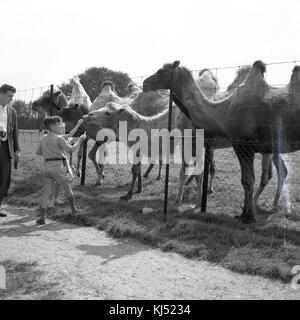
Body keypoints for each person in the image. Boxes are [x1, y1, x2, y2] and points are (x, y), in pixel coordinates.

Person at [36, 116, 86, 225]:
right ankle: (74, 211)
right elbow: (71, 149)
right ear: (53, 126)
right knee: (68, 188)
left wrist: (78, 125)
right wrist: (80, 140)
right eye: (59, 124)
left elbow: (38, 152)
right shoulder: (59, 138)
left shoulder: (44, 138)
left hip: (47, 167)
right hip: (58, 166)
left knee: (46, 192)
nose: (62, 126)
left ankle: (43, 217)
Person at [0, 84, 19, 218]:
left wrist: (17, 149)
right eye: (9, 96)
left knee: (4, 179)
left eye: (12, 96)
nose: (11, 99)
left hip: (6, 149)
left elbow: (15, 132)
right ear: (1, 93)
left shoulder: (12, 111)